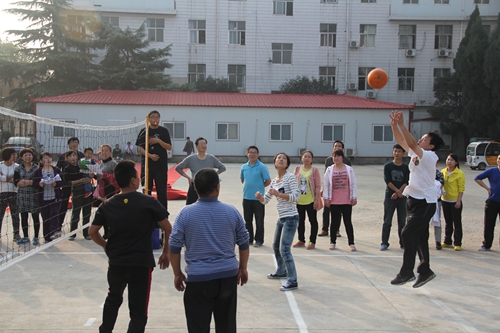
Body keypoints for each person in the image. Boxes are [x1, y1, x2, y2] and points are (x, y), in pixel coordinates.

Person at [89, 160, 172, 333]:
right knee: (138, 312)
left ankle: (105, 330)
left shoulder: (108, 204)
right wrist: (166, 252)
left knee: (113, 298)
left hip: (117, 262)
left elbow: (92, 231)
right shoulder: (149, 202)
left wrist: (105, 245)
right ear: (134, 180)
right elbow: (168, 227)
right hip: (141, 264)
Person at [169, 168, 249, 333]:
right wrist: (243, 268)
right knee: (226, 326)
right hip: (227, 277)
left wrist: (177, 273)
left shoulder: (185, 214)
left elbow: (174, 247)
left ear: (195, 188)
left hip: (198, 279)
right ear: (218, 188)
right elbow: (244, 242)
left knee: (198, 327)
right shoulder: (232, 211)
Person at [389, 110, 444, 288]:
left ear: (431, 146)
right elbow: (402, 141)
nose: (420, 140)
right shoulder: (416, 153)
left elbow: (411, 142)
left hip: (426, 203)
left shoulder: (429, 156)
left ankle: (407, 273)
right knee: (420, 237)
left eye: (424, 139)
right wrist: (394, 126)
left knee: (407, 233)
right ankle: (425, 270)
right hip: (414, 200)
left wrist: (403, 125)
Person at [256, 153, 300, 291]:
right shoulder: (275, 181)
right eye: (278, 158)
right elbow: (266, 201)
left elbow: (296, 197)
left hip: (291, 218)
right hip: (282, 218)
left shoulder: (290, 177)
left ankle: (293, 280)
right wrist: (259, 197)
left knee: (285, 249)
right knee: (276, 246)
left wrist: (279, 194)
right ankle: (281, 271)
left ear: (287, 164)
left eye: (284, 158)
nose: (281, 160)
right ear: (274, 163)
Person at [136, 110, 172, 209]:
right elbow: (139, 148)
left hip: (161, 166)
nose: (155, 119)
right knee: (146, 190)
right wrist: (150, 156)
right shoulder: (144, 131)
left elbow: (169, 147)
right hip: (147, 165)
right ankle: (146, 211)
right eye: (153, 117)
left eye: (157, 117)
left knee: (161, 191)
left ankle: (163, 213)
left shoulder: (164, 131)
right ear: (149, 119)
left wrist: (158, 141)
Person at [323, 149, 358, 251]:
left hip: (346, 200)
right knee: (334, 222)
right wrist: (326, 198)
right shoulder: (329, 170)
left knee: (347, 222)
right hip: (334, 200)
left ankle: (351, 243)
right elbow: (326, 185)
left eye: (338, 156)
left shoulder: (349, 169)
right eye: (334, 156)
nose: (336, 158)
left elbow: (353, 184)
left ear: (342, 158)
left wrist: (354, 197)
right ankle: (332, 242)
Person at [175, 137, 226, 205]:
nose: (203, 146)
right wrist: (188, 178)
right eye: (201, 144)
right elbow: (178, 168)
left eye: (205, 144)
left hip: (209, 186)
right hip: (195, 185)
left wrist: (213, 175)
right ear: (196, 146)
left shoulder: (211, 158)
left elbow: (222, 167)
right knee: (190, 206)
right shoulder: (191, 158)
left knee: (209, 205)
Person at [319, 140, 352, 238]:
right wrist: (324, 189)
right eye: (335, 146)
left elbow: (349, 177)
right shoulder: (329, 160)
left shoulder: (347, 161)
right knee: (326, 209)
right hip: (330, 189)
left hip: (341, 190)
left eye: (339, 146)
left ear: (342, 148)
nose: (337, 147)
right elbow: (326, 175)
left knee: (339, 212)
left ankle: (336, 230)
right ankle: (325, 229)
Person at [240, 145, 271, 247]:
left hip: (258, 199)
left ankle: (259, 240)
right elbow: (242, 180)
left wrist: (260, 187)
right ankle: (249, 239)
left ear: (257, 155)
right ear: (247, 154)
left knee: (259, 221)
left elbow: (268, 181)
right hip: (246, 198)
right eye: (250, 152)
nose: (252, 154)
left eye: (254, 152)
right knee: (247, 221)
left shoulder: (262, 167)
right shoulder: (244, 167)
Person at [380, 144, 409, 251]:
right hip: (390, 197)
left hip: (402, 197)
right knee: (387, 221)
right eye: (395, 151)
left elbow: (406, 181)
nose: (396, 153)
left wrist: (399, 192)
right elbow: (388, 181)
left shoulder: (406, 167)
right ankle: (384, 242)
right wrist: (396, 191)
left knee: (402, 222)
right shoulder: (388, 166)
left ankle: (403, 243)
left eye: (399, 151)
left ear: (403, 153)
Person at [293, 150, 322, 250]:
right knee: (300, 221)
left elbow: (318, 186)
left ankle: (312, 241)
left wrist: (317, 200)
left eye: (309, 157)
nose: (307, 158)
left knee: (313, 221)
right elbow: (293, 184)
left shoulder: (315, 170)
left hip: (310, 200)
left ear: (312, 159)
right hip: (299, 201)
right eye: (305, 156)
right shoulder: (297, 169)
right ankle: (301, 239)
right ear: (302, 158)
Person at [33, 152, 65, 243]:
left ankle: (54, 232)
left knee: (54, 215)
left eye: (49, 158)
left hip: (55, 197)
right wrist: (39, 184)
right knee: (46, 219)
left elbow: (63, 182)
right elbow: (34, 184)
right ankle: (47, 237)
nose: (48, 160)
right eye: (45, 158)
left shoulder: (56, 170)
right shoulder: (38, 171)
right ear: (41, 160)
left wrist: (56, 184)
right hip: (43, 199)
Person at [63, 150, 93, 240]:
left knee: (87, 213)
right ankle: (72, 233)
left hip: (87, 191)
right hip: (77, 192)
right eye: (70, 156)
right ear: (67, 158)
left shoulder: (82, 165)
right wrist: (80, 181)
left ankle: (86, 233)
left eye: (74, 155)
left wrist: (91, 176)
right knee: (76, 213)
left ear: (77, 157)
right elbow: (67, 183)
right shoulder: (67, 168)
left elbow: (93, 175)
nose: (72, 157)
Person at [56, 137, 84, 231]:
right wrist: (59, 181)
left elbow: (87, 168)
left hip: (79, 184)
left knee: (77, 206)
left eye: (76, 142)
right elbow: (57, 169)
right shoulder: (63, 156)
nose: (74, 144)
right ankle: (58, 225)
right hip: (67, 183)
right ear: (68, 144)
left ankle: (75, 227)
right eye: (72, 142)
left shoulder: (81, 155)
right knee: (63, 205)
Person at [14, 148, 40, 245]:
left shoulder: (36, 168)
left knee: (35, 216)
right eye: (25, 155)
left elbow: (37, 182)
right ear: (22, 157)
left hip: (34, 195)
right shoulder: (18, 168)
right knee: (24, 216)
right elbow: (16, 182)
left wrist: (25, 181)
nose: (28, 157)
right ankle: (25, 237)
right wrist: (30, 182)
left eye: (29, 155)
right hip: (22, 195)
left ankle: (36, 237)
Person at [474, 154, 500, 251]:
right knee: (489, 224)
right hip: (492, 201)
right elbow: (477, 178)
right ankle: (486, 244)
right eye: (499, 159)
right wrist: (487, 188)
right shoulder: (492, 171)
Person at [441, 153, 465, 251]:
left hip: (455, 201)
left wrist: (459, 200)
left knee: (457, 222)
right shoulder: (443, 171)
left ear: (456, 162)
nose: (449, 162)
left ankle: (457, 243)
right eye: (448, 159)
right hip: (445, 200)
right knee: (448, 222)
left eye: (451, 160)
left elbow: (461, 188)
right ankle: (447, 241)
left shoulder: (460, 173)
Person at [95, 144, 119, 240]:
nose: (104, 153)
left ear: (110, 152)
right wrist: (94, 175)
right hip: (102, 190)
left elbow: (116, 178)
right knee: (103, 212)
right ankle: (106, 232)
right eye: (103, 151)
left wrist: (105, 176)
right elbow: (98, 177)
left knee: (111, 212)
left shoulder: (113, 164)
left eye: (106, 151)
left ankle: (112, 232)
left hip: (110, 190)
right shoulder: (100, 163)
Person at [0, 148, 20, 242]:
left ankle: (16, 234)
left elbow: (17, 179)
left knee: (15, 214)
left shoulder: (17, 166)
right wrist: (9, 178)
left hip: (14, 192)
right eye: (13, 154)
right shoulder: (0, 165)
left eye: (16, 154)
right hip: (2, 192)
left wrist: (4, 178)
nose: (15, 156)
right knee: (1, 214)